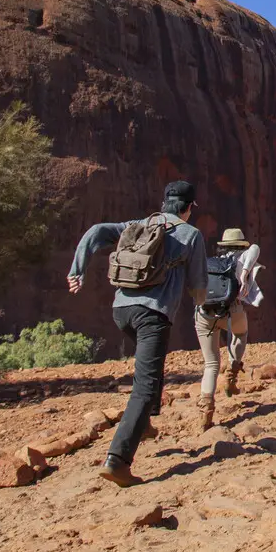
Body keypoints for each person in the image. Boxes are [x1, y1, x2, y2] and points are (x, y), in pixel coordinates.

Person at [68, 181, 208, 485]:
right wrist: (202, 307)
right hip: (152, 315)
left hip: (122, 312)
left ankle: (142, 422)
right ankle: (117, 460)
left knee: (151, 372)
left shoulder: (140, 223)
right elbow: (198, 284)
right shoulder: (190, 234)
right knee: (144, 386)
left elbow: (95, 231)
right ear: (189, 207)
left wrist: (77, 269)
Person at [193, 228, 263, 429]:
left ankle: (206, 410)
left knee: (211, 364)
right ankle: (232, 371)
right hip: (232, 311)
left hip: (204, 314)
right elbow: (255, 248)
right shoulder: (242, 259)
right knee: (240, 335)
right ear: (241, 245)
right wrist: (243, 272)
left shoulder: (213, 262)